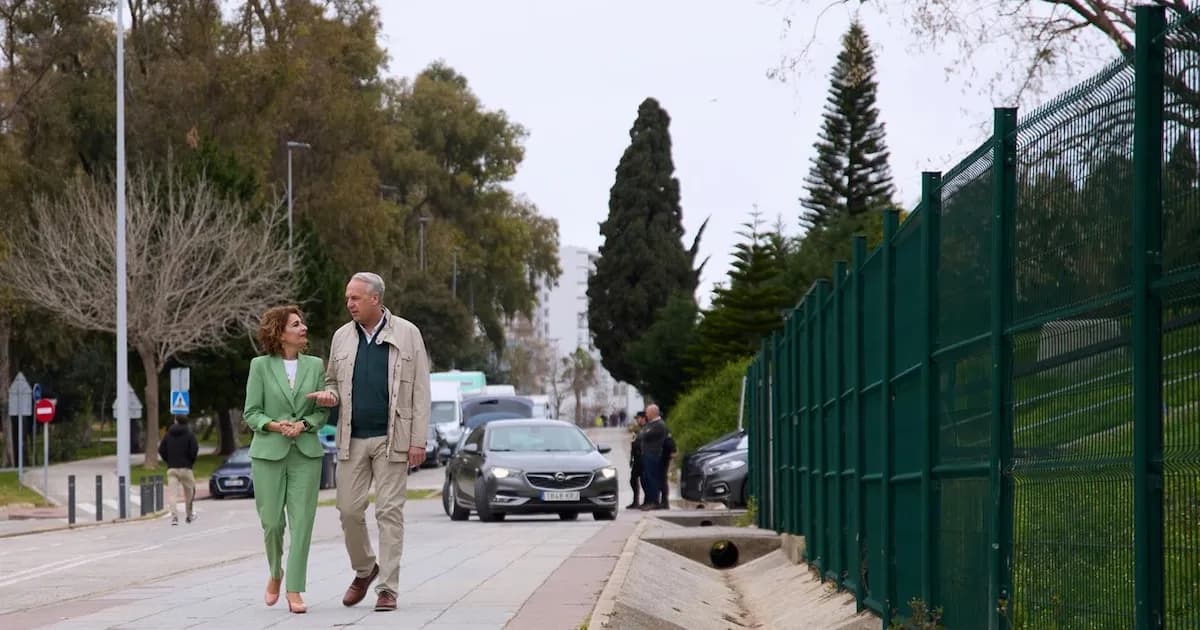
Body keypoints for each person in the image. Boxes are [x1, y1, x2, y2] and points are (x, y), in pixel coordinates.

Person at [306, 272, 431, 613]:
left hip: (394, 438)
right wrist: (329, 397)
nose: (349, 303)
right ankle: (365, 570)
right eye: (348, 298)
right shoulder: (341, 338)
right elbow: (333, 380)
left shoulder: (408, 333)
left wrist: (418, 440)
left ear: (375, 299)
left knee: (389, 512)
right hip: (352, 437)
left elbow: (420, 390)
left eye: (355, 298)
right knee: (348, 510)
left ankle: (387, 589)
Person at [243, 305, 329, 614]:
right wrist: (276, 425)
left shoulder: (316, 366)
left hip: (306, 453)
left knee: (302, 523)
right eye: (296, 324)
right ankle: (276, 571)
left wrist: (304, 425)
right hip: (268, 452)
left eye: (303, 322)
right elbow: (251, 412)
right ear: (280, 334)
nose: (303, 327)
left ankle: (294, 588)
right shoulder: (260, 367)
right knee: (272, 523)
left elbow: (322, 411)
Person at [157, 416, 198, 525]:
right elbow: (194, 450)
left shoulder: (168, 435)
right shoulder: (190, 435)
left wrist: (168, 461)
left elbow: (161, 450)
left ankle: (174, 517)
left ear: (176, 421)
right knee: (190, 492)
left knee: (172, 494)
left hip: (172, 469)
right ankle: (189, 515)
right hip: (186, 468)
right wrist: (190, 462)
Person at [639, 404, 668, 511]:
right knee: (647, 479)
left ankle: (655, 501)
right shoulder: (650, 424)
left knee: (653, 479)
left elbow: (644, 435)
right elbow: (641, 434)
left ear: (653, 413)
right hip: (647, 455)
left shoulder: (659, 425)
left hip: (653, 455)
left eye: (647, 412)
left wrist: (643, 432)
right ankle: (649, 501)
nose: (646, 414)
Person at [626, 411, 646, 509]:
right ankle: (635, 501)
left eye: (638, 418)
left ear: (643, 418)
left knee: (644, 481)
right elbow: (633, 445)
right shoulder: (637, 430)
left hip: (643, 458)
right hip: (636, 459)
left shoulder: (647, 429)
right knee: (633, 480)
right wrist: (631, 459)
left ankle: (646, 500)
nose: (637, 420)